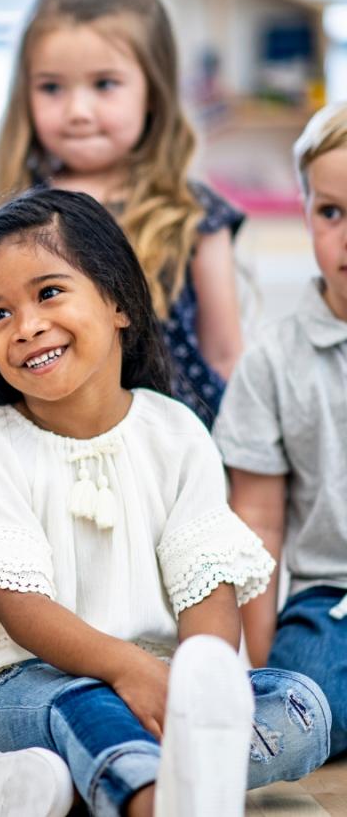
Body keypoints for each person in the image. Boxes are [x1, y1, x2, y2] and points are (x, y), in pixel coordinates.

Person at [0, 188, 330, 817]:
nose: (26, 326)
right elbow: (22, 609)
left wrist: (196, 687)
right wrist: (125, 670)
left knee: (300, 705)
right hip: (18, 687)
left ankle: (52, 781)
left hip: (157, 684)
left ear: (118, 304)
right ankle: (152, 796)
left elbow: (207, 588)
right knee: (83, 704)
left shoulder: (178, 433)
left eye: (49, 292)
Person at [0, 0, 244, 427]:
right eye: (52, 88)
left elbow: (224, 354)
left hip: (175, 445)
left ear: (152, 92)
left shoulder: (194, 215)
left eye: (104, 84)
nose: (78, 111)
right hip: (48, 445)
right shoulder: (11, 218)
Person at [213, 102, 347, 761]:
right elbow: (258, 523)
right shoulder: (272, 359)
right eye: (332, 212)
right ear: (305, 214)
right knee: (303, 700)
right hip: (331, 604)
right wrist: (266, 667)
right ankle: (191, 764)